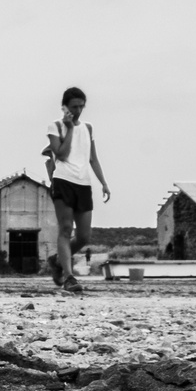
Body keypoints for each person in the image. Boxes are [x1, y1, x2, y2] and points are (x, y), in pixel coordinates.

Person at [45, 87, 111, 293]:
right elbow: (62, 155)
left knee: (84, 236)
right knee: (66, 229)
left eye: (82, 106)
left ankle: (57, 261)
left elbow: (93, 158)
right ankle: (69, 277)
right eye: (74, 106)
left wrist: (104, 183)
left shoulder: (89, 128)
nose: (79, 110)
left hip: (83, 184)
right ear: (64, 107)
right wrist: (70, 128)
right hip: (63, 181)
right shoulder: (55, 126)